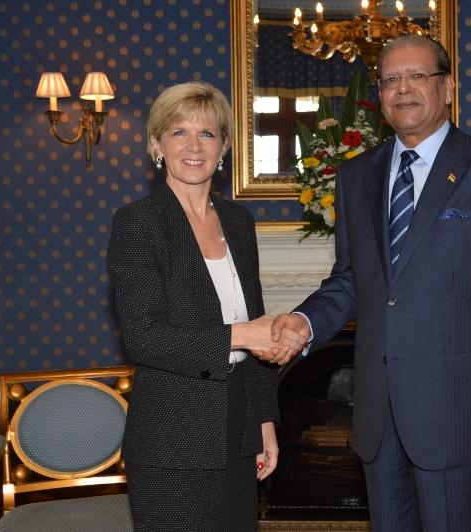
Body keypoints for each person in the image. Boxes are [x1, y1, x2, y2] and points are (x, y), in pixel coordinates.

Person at [267, 35, 471, 532]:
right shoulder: (356, 177)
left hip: (455, 413)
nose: (403, 89)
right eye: (391, 79)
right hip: (376, 416)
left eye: (418, 75)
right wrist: (303, 322)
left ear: (449, 87)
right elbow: (353, 280)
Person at [107, 80, 306, 531]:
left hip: (238, 429)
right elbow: (144, 337)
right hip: (171, 437)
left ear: (225, 147)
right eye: (179, 133)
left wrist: (264, 422)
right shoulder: (138, 223)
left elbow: (253, 326)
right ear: (156, 144)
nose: (194, 146)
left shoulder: (238, 221)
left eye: (207, 134)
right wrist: (243, 335)